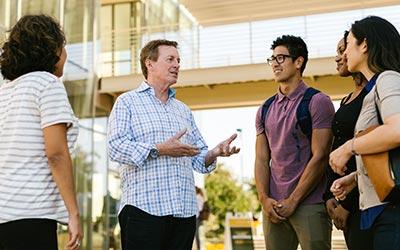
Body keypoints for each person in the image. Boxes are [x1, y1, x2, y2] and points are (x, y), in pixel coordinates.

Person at [107, 39, 240, 250]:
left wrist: (214, 152)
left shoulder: (183, 110)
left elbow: (198, 156)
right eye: (170, 59)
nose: (177, 65)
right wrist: (159, 149)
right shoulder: (126, 102)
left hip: (184, 214)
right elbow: (115, 147)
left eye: (178, 60)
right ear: (149, 63)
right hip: (143, 212)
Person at [0, 15, 82, 250]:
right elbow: (56, 154)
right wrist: (73, 214)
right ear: (52, 49)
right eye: (64, 47)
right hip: (30, 214)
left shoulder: (4, 92)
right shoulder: (47, 84)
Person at [254, 35, 335, 250]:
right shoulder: (265, 108)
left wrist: (294, 200)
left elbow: (321, 156)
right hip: (274, 206)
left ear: (298, 62)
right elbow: (262, 159)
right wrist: (263, 199)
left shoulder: (318, 102)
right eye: (272, 59)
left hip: (310, 203)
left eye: (281, 58)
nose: (275, 64)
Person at [329, 16, 400, 250]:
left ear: (365, 45)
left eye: (348, 44)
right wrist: (355, 178)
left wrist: (348, 148)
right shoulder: (372, 91)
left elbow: (397, 130)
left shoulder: (388, 80)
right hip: (378, 211)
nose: (344, 52)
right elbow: (388, 151)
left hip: (391, 213)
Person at [324, 31, 371, 249]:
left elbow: (370, 152)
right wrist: (329, 197)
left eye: (343, 50)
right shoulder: (345, 100)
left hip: (362, 200)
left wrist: (347, 204)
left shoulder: (372, 95)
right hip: (342, 196)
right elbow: (335, 146)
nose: (338, 57)